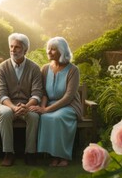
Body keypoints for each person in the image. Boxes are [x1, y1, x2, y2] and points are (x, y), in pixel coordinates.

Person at [29, 37, 82, 167]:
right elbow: (44, 93)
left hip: (69, 106)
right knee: (46, 118)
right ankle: (53, 156)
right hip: (50, 104)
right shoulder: (45, 69)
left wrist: (46, 110)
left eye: (53, 49)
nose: (49, 51)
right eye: (49, 48)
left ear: (62, 51)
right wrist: (42, 108)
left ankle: (63, 156)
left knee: (57, 117)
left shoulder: (73, 70)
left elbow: (69, 96)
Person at [0, 33, 43, 166]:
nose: (13, 50)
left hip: (27, 105)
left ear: (25, 50)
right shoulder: (2, 68)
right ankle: (8, 153)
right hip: (6, 104)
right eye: (11, 46)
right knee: (5, 114)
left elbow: (37, 93)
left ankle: (30, 153)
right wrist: (13, 107)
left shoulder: (34, 68)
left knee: (34, 117)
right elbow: (1, 93)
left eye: (17, 47)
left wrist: (26, 107)